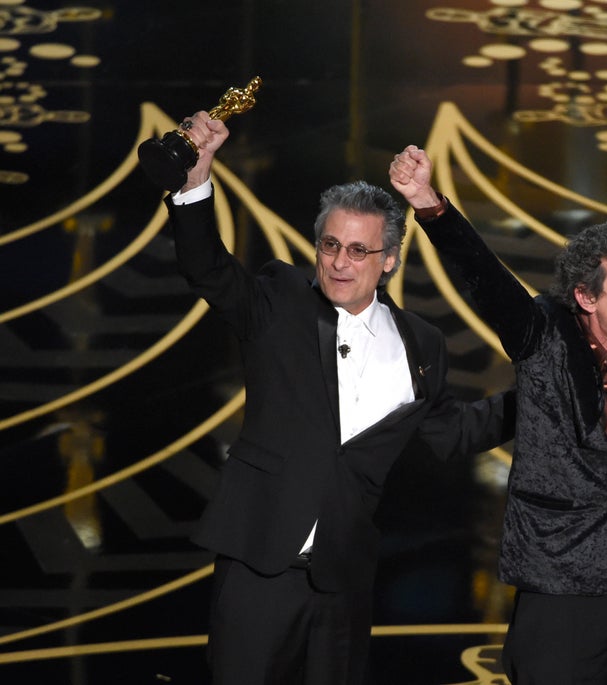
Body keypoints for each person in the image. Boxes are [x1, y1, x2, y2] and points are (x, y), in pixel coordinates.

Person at [389, 60, 607, 684]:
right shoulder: (544, 338)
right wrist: (431, 206)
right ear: (587, 297)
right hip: (562, 589)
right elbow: (488, 281)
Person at [162, 111, 515, 685]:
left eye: (358, 251)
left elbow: (454, 433)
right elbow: (208, 269)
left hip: (343, 579)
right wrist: (197, 178)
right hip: (260, 565)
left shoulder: (420, 343)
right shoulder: (280, 302)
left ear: (390, 261)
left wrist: (542, 396)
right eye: (331, 246)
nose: (340, 263)